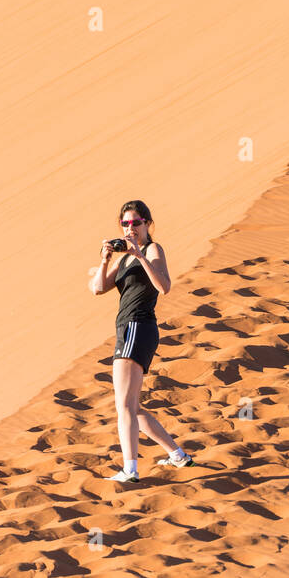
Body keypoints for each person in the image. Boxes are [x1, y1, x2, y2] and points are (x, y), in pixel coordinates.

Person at [90, 199, 192, 483]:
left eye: (136, 222)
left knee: (123, 405)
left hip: (138, 326)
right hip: (129, 329)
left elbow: (164, 286)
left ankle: (130, 470)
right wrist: (105, 258)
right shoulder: (124, 259)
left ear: (147, 224)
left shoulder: (152, 249)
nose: (130, 228)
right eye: (125, 223)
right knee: (132, 406)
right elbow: (97, 288)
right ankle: (178, 456)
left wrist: (141, 255)